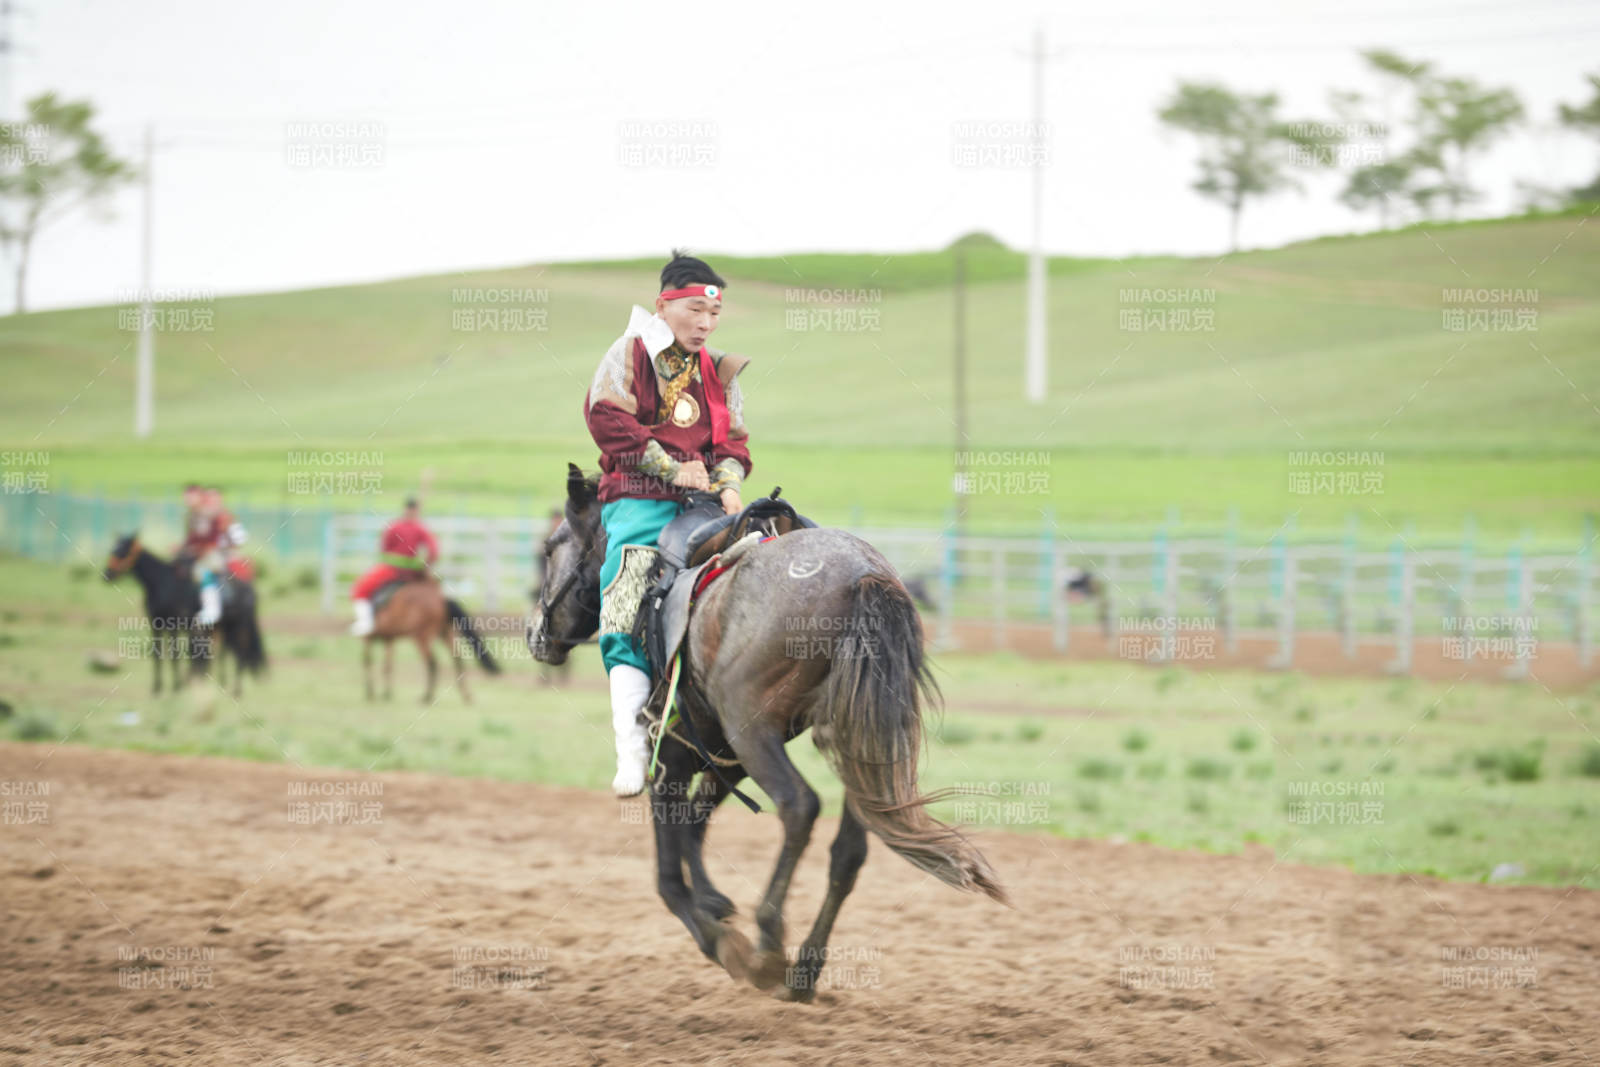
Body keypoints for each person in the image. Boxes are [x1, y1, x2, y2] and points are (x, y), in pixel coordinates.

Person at [584, 249, 752, 796]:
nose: (705, 325)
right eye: (694, 313)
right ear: (664, 306)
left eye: (713, 315)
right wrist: (671, 469)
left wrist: (728, 483)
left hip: (703, 502)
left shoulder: (720, 370)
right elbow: (606, 418)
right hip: (638, 496)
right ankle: (630, 749)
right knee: (627, 596)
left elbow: (732, 442)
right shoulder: (629, 353)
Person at [349, 497, 440, 636]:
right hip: (414, 573)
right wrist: (424, 568)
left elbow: (384, 549)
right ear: (416, 511)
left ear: (405, 509)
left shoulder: (394, 527)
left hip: (391, 571)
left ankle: (365, 623)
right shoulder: (421, 528)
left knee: (360, 589)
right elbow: (434, 552)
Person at [181, 485, 246, 626]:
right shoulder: (200, 516)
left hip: (221, 555)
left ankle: (212, 610)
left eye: (214, 498)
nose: (210, 501)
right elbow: (196, 538)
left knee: (204, 570)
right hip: (204, 553)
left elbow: (239, 539)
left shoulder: (225, 517)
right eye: (208, 498)